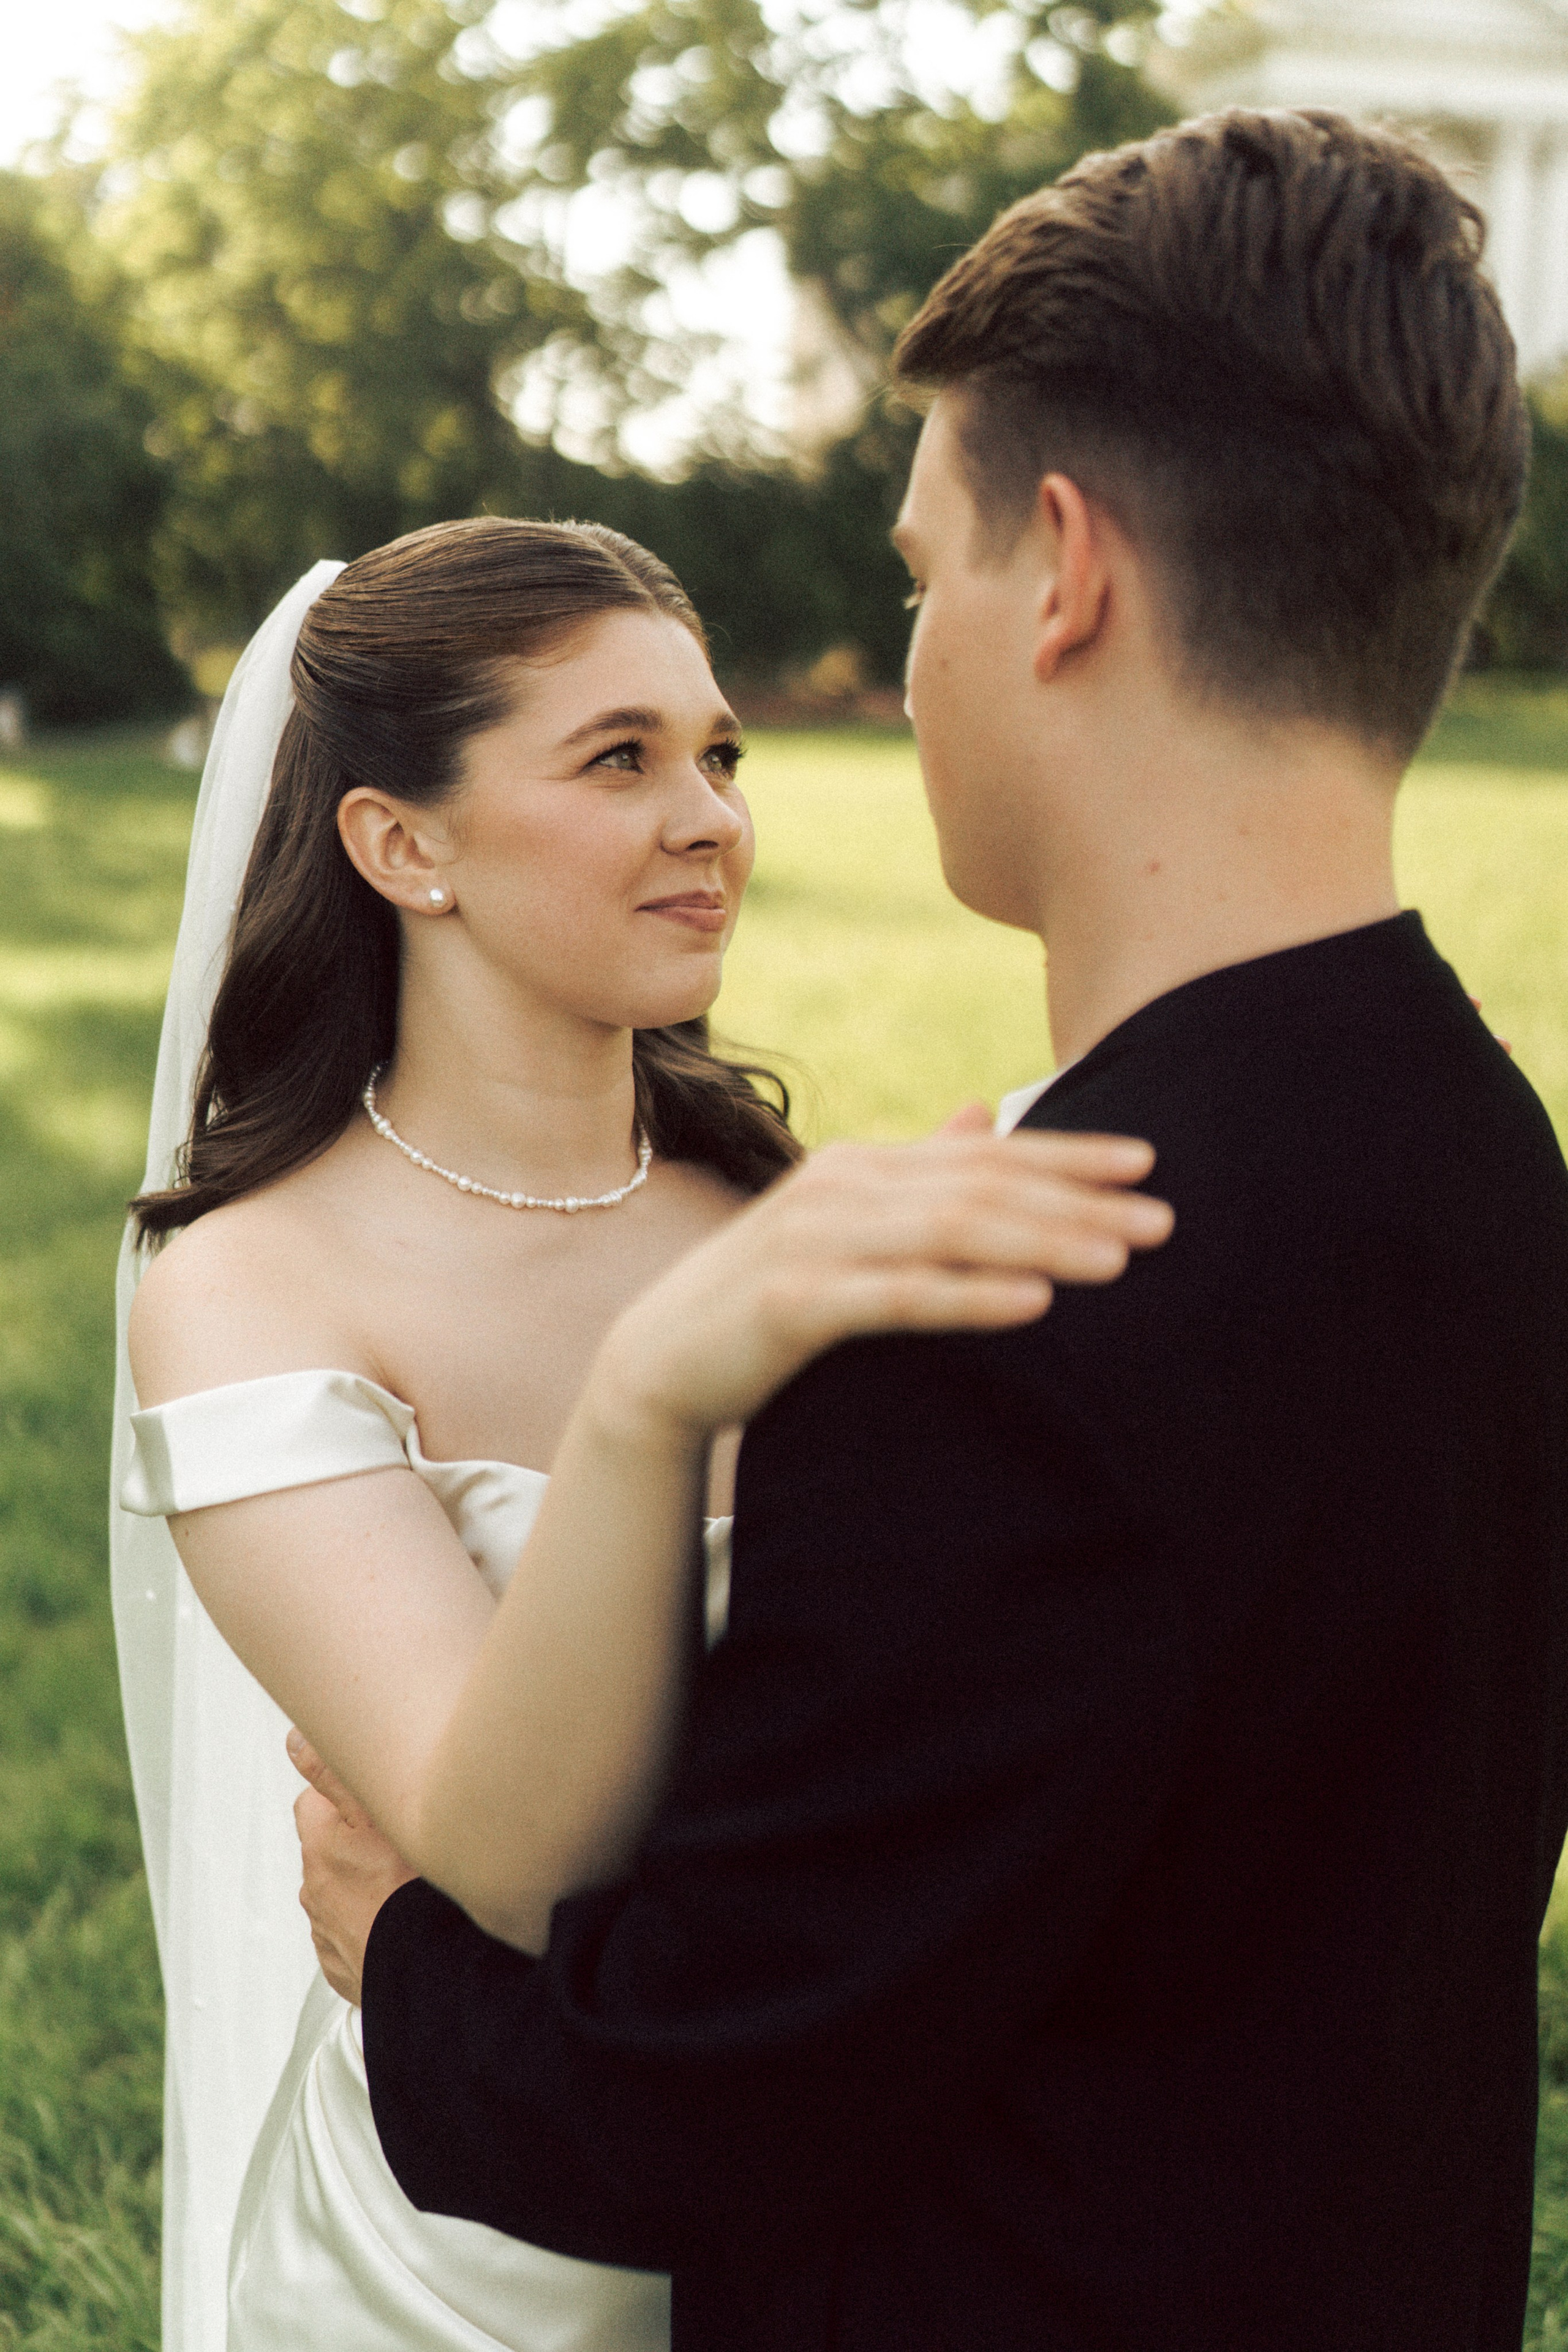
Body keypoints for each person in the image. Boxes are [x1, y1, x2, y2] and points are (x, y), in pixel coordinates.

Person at [299, 107, 1568, 2351]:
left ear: (1064, 571)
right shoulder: (1484, 1153)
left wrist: (401, 1936)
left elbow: (689, 2103)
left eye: (923, 576)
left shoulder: (998, 1320)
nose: (908, 663)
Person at [111, 517, 1170, 2351]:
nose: (711, 819)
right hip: (468, 2240)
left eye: (718, 754)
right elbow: (500, 1854)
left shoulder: (777, 1217)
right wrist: (655, 1394)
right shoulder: (249, 1290)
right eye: (621, 760)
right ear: (401, 843)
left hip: (835, 2175)